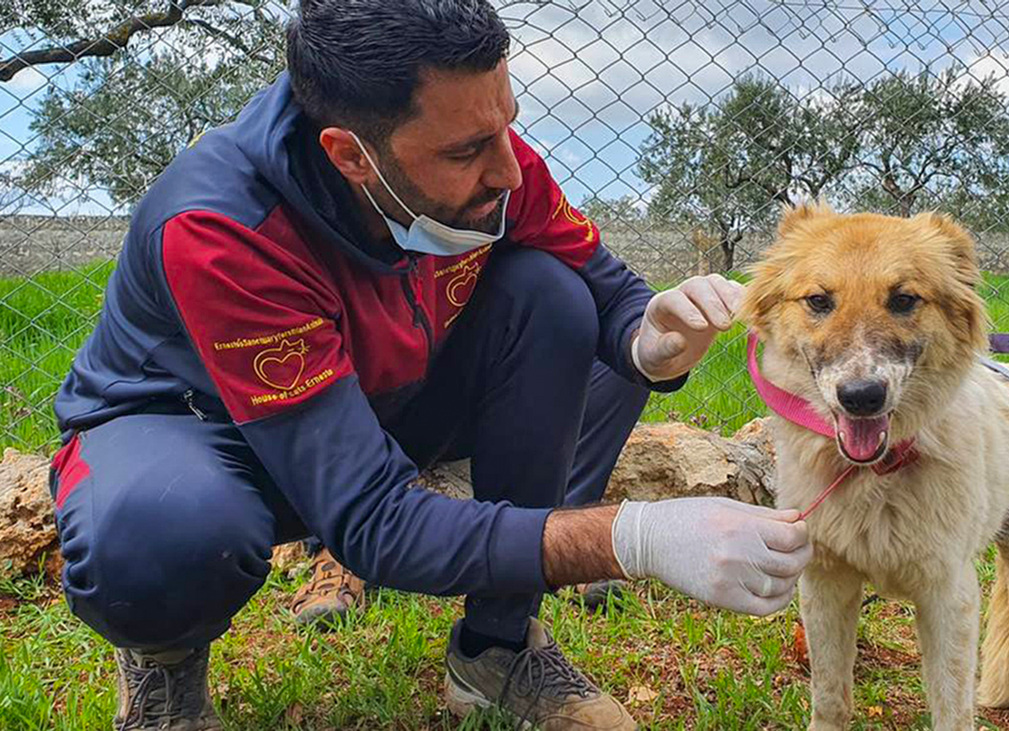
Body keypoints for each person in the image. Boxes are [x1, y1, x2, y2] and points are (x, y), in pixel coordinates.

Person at [46, 0, 813, 728]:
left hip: (375, 399)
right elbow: (372, 520)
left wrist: (652, 340)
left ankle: (498, 646)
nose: (510, 170)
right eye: (469, 149)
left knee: (554, 295)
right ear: (350, 155)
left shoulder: (478, 154)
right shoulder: (224, 227)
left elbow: (607, 291)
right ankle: (166, 660)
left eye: (506, 125)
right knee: (158, 532)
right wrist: (639, 536)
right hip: (201, 434)